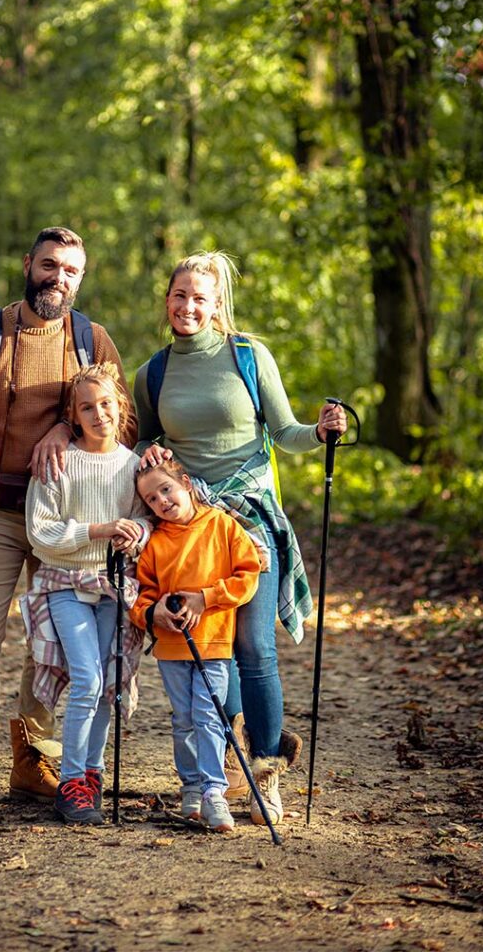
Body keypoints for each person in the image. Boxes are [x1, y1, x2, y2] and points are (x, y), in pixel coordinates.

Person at [0, 226, 137, 823]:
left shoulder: (93, 340)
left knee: (49, 651)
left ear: (81, 278)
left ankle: (31, 760)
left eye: (70, 271)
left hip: (68, 519)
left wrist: (64, 429)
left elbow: (121, 421)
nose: (58, 279)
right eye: (49, 266)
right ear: (28, 265)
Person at [134, 251, 346, 825]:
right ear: (168, 300)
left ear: (217, 305)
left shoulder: (248, 355)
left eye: (200, 298)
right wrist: (147, 453)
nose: (188, 306)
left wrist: (322, 430)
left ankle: (267, 771)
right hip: (189, 528)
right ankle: (235, 763)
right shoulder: (152, 372)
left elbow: (287, 433)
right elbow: (143, 449)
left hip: (249, 521)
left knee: (253, 645)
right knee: (213, 652)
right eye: (179, 296)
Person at [22, 362, 149, 825]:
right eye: (87, 408)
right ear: (73, 417)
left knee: (108, 684)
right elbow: (41, 533)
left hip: (113, 587)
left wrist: (137, 531)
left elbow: (147, 518)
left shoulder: (132, 465)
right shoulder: (59, 462)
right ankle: (71, 779)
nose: (99, 415)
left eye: (107, 405)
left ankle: (91, 774)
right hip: (65, 584)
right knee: (88, 678)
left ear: (121, 408)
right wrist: (98, 529)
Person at [130, 457, 260, 832]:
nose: (162, 502)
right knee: (183, 718)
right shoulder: (155, 544)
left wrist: (207, 597)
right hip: (172, 648)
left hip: (213, 644)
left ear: (185, 483)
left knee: (208, 716)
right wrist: (154, 613)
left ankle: (213, 792)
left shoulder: (222, 526)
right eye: (152, 500)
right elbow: (142, 599)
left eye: (166, 490)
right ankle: (190, 787)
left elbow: (248, 575)